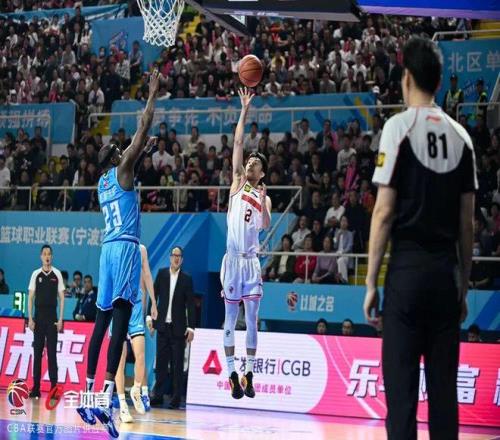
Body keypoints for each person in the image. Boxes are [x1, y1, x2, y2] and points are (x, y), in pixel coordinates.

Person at [363, 37, 477, 440]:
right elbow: (467, 225)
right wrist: (462, 287)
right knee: (444, 397)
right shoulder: (462, 138)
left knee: (402, 397)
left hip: (407, 274)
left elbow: (383, 212)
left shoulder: (398, 127)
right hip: (445, 275)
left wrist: (371, 283)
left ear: (406, 78)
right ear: (440, 81)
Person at [76, 70, 161, 438]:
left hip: (106, 249)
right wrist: (152, 94)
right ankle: (107, 396)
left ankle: (88, 392)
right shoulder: (124, 166)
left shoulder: (103, 182)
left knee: (101, 323)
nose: (125, 148)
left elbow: (129, 170)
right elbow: (143, 127)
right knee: (122, 323)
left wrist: (142, 155)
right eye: (121, 148)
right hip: (125, 248)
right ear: (117, 155)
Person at [220, 87, 272, 400]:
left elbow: (265, 226)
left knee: (251, 318)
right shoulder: (238, 182)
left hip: (251, 262)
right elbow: (238, 142)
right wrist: (244, 110)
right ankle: (231, 374)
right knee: (229, 318)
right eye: (249, 160)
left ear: (262, 172)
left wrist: (264, 203)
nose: (250, 163)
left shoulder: (264, 196)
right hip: (232, 260)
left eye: (255, 163)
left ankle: (249, 373)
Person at [115, 244, 158, 422]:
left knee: (140, 355)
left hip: (136, 305)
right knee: (120, 358)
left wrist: (153, 302)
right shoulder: (116, 246)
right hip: (118, 304)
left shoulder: (141, 249)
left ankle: (137, 389)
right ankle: (123, 405)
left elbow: (147, 274)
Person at [148, 246, 195, 409]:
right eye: (174, 255)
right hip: (162, 326)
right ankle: (158, 395)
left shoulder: (187, 279)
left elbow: (190, 305)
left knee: (177, 365)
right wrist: (150, 317)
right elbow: (153, 296)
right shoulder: (162, 274)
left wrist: (191, 328)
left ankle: (176, 398)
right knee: (161, 363)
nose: (176, 258)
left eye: (179, 256)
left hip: (178, 329)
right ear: (170, 257)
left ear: (182, 259)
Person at [27, 245, 65, 398]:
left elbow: (62, 298)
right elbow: (30, 297)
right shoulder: (36, 274)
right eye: (44, 254)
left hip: (52, 319)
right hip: (39, 318)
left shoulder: (57, 274)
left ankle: (53, 388)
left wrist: (60, 319)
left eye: (49, 254)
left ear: (52, 256)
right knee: (37, 353)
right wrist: (30, 318)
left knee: (52, 354)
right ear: (41, 256)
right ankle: (36, 388)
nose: (47, 257)